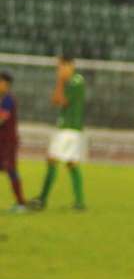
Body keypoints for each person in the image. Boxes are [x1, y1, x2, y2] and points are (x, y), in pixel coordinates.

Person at [31, 55, 87, 211]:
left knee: (52, 160)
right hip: (69, 129)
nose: (59, 70)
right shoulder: (70, 81)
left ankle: (42, 199)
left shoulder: (77, 81)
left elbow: (62, 101)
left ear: (70, 66)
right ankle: (79, 203)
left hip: (69, 128)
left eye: (61, 66)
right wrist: (61, 82)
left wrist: (61, 81)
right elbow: (55, 100)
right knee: (71, 163)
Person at [0, 71, 27, 213]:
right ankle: (21, 203)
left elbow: (1, 119)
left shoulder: (8, 100)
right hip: (2, 142)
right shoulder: (3, 99)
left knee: (11, 170)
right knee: (10, 170)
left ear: (6, 84)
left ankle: (21, 203)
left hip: (8, 143)